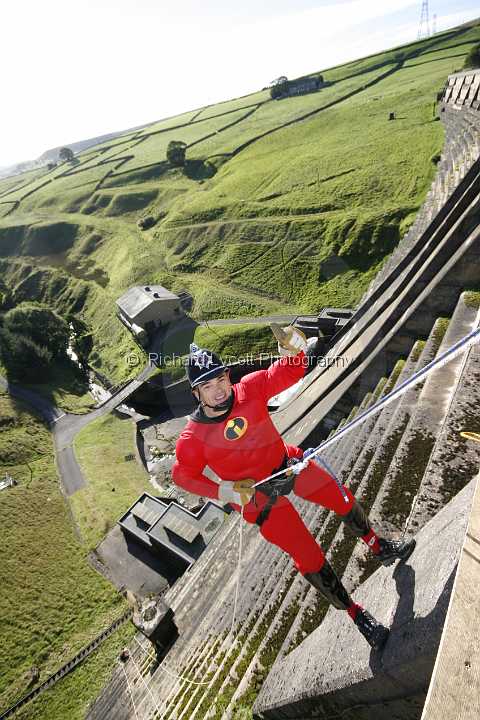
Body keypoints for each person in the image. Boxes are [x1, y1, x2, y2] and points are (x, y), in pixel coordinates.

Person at [172, 326, 416, 650]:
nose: (218, 391)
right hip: (257, 497)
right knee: (309, 556)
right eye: (207, 386)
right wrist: (224, 492)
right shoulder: (192, 438)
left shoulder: (249, 389)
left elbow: (288, 373)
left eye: (220, 380)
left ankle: (379, 546)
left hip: (286, 463)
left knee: (340, 497)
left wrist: (294, 349)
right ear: (196, 394)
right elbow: (182, 476)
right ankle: (356, 615)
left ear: (228, 376)